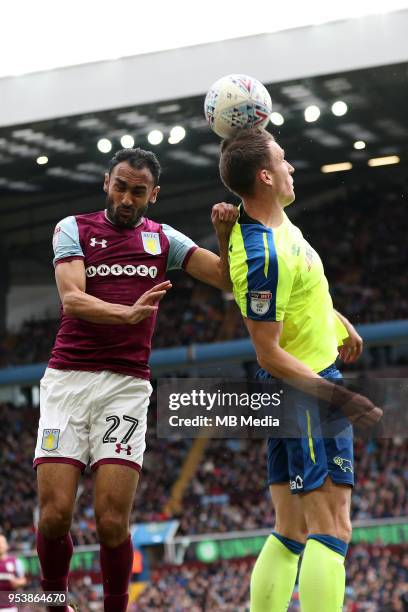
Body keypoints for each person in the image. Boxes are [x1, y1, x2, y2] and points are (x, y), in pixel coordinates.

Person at [33, 147, 237, 612]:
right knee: (55, 516)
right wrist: (127, 315)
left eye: (138, 191)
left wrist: (224, 236)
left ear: (153, 195)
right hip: (67, 381)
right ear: (107, 182)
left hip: (126, 388)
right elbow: (72, 299)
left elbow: (227, 279)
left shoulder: (165, 239)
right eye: (121, 186)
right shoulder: (74, 228)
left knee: (110, 522)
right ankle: (48, 600)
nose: (127, 198)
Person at [211, 127, 382, 612]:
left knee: (291, 529)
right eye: (283, 161)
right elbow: (268, 351)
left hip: (297, 386)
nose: (291, 167)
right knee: (333, 526)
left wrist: (336, 319)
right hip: (305, 390)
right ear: (265, 176)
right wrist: (340, 397)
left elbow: (299, 294)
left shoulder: (277, 223)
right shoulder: (264, 252)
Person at [0, 534, 27, 612]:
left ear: (7, 545)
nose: (0, 545)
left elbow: (23, 580)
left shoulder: (16, 562)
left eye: (2, 543)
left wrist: (17, 582)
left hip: (10, 607)